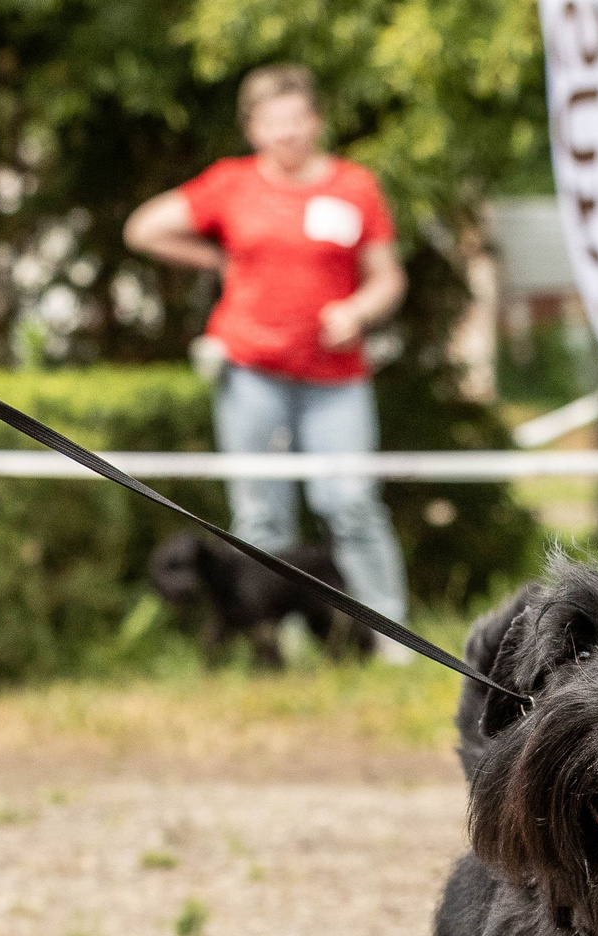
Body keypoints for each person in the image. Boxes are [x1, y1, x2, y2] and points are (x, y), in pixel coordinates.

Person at [124, 64, 415, 658]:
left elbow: (388, 279)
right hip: (252, 374)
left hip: (337, 382)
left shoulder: (355, 187)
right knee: (260, 516)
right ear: (253, 128)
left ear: (316, 121)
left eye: (296, 119)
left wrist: (357, 312)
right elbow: (143, 230)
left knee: (353, 504)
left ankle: (389, 639)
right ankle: (276, 643)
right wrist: (216, 262)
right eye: (272, 122)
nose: (286, 132)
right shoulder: (231, 184)